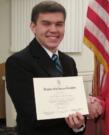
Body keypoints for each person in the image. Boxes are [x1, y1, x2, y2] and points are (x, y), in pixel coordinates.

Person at [5, 1, 85, 135]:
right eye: (46, 23)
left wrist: (79, 125)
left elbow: (76, 106)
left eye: (59, 24)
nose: (53, 29)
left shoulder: (69, 62)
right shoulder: (18, 62)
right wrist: (81, 107)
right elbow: (32, 115)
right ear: (33, 27)